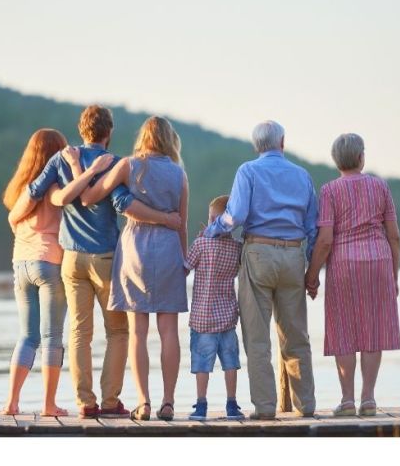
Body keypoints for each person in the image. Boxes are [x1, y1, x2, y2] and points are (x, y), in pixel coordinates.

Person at [25, 105, 180, 418]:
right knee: (119, 332)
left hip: (71, 258)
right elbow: (123, 203)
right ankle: (110, 402)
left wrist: (21, 215)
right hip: (106, 257)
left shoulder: (61, 159)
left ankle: (85, 403)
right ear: (109, 133)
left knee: (80, 332)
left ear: (82, 130)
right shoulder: (112, 162)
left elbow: (35, 190)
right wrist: (166, 219)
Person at [72, 116, 189, 421]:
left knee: (137, 332)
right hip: (168, 249)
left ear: (144, 138)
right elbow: (182, 224)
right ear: (168, 139)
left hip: (135, 247)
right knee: (168, 331)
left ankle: (144, 402)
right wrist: (184, 259)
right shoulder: (179, 175)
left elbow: (90, 197)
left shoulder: (127, 166)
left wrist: (84, 171)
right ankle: (168, 402)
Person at [203, 120, 320, 419]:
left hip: (258, 253)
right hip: (294, 255)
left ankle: (266, 408)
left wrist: (211, 230)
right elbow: (312, 227)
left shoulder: (248, 171)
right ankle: (305, 405)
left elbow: (236, 215)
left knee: (257, 338)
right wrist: (311, 270)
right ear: (282, 142)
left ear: (257, 146)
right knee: (296, 336)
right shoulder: (302, 175)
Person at [0, 128, 101, 416]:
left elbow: (12, 219)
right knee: (52, 337)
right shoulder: (56, 186)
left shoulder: (22, 187)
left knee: (26, 336)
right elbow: (80, 199)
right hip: (51, 263)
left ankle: (11, 402)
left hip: (21, 264)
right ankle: (48, 405)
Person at [305, 133, 400, 417]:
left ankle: (347, 399)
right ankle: (368, 399)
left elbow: (324, 240)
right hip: (378, 261)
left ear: (336, 160)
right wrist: (393, 276)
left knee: (343, 330)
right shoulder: (380, 186)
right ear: (361, 157)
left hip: (344, 264)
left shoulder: (330, 191)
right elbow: (394, 236)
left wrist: (311, 276)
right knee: (372, 329)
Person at [184, 194, 247, 421]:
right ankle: (232, 404)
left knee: (202, 364)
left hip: (202, 318)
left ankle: (201, 406)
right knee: (231, 363)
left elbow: (185, 268)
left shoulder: (201, 244)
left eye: (212, 219)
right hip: (228, 316)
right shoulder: (237, 249)